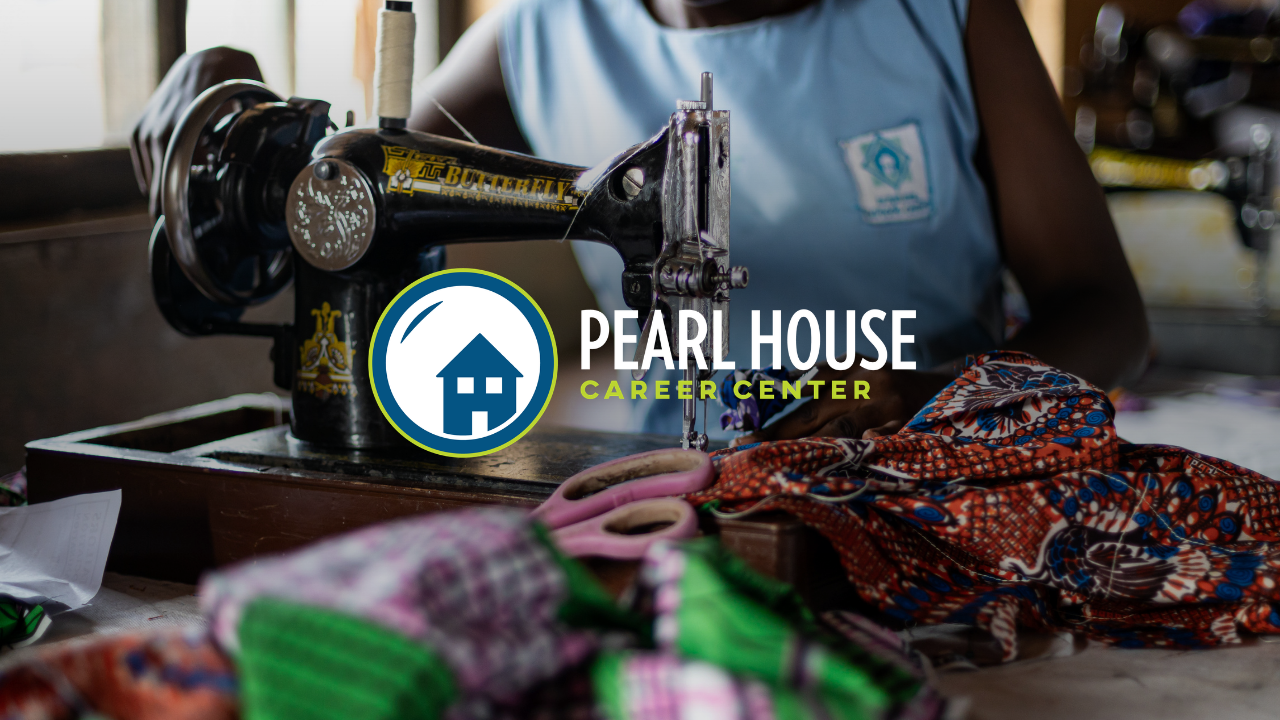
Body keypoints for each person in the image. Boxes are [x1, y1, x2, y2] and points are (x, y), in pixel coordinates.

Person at [132, 0, 1149, 443]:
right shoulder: (540, 31)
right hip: (673, 497)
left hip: (929, 478)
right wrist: (238, 122)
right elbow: (353, 185)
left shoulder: (942, 13)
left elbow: (1105, 312)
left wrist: (935, 404)